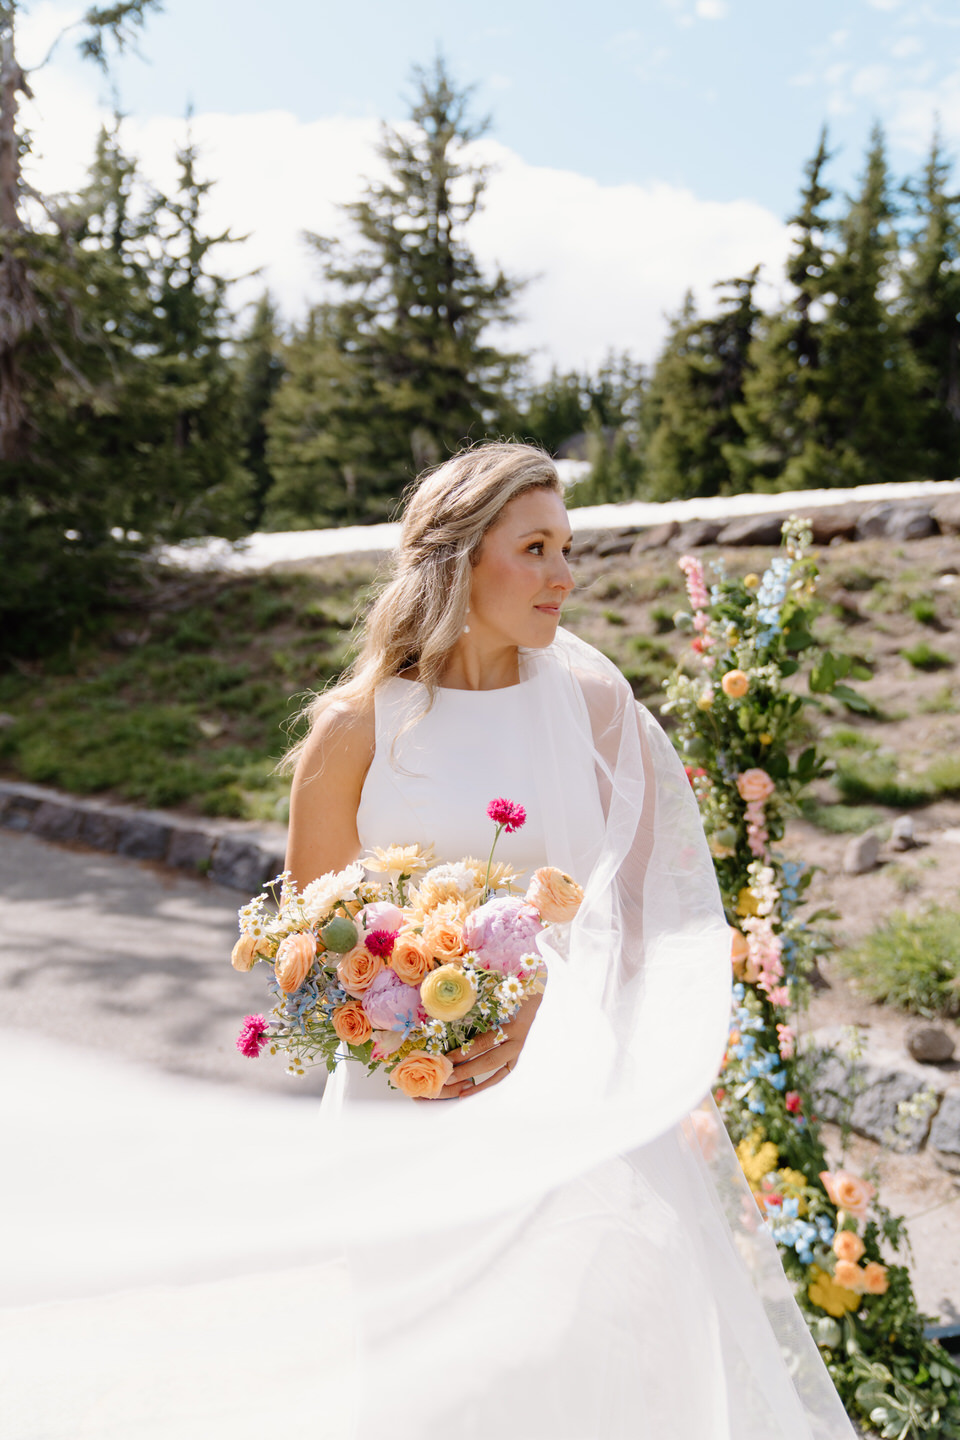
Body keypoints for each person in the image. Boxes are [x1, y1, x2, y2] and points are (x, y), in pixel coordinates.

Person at [282, 442, 858, 1440]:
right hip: (399, 1118)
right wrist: (411, 1008)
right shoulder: (356, 729)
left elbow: (650, 925)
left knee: (569, 1381)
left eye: (566, 547)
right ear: (460, 563)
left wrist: (543, 1002)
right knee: (424, 1390)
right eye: (536, 548)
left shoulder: (598, 714)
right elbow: (311, 945)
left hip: (561, 1106)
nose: (564, 576)